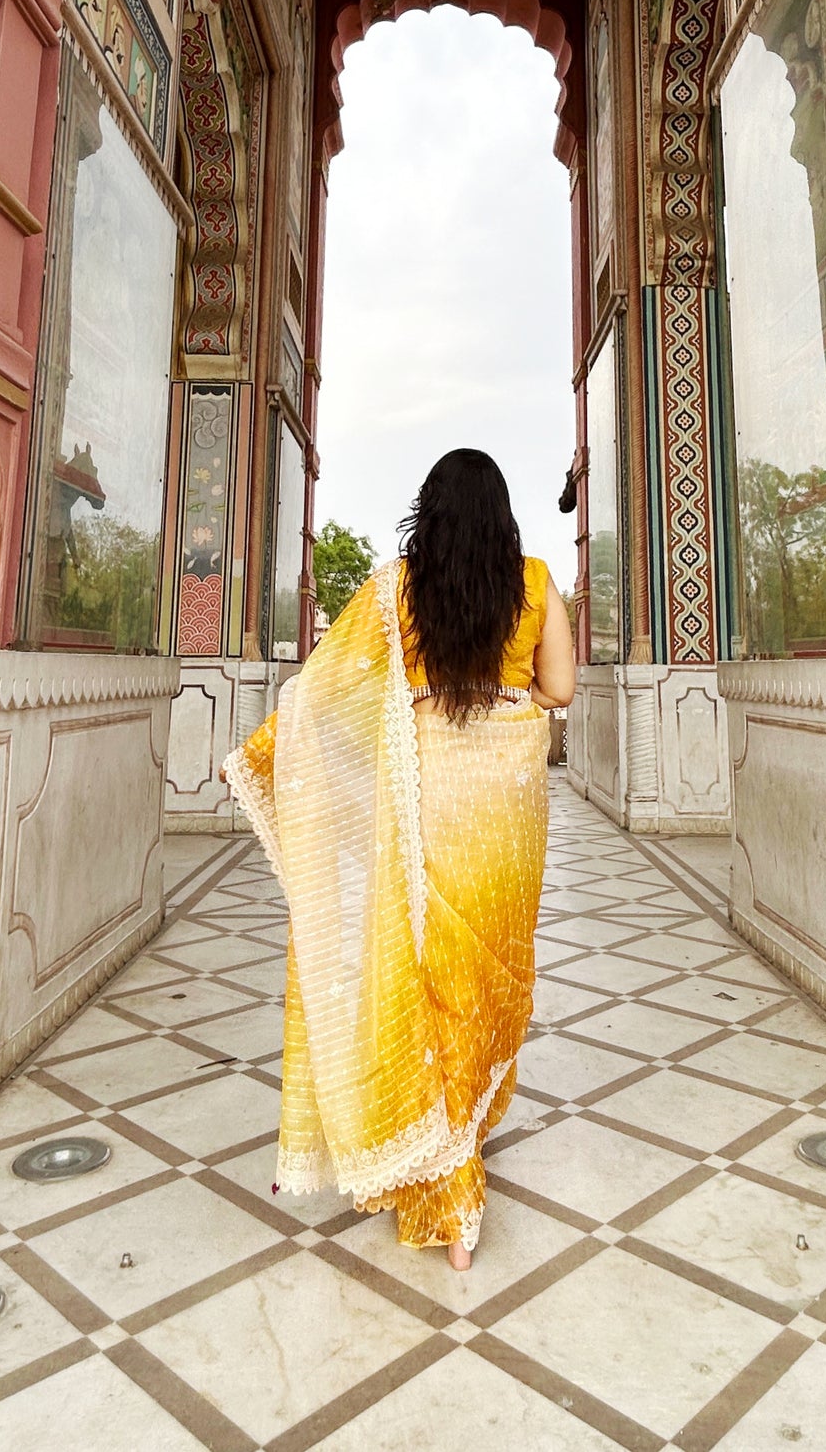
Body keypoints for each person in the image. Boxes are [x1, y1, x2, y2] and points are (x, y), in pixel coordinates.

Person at [222, 449, 576, 1271]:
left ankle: (439, 1169)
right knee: (491, 975)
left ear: (431, 510)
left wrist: (263, 755)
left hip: (427, 802)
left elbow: (320, 690)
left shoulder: (397, 588)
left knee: (425, 977)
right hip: (504, 809)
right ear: (501, 511)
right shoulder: (531, 579)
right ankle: (456, 1169)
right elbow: (557, 691)